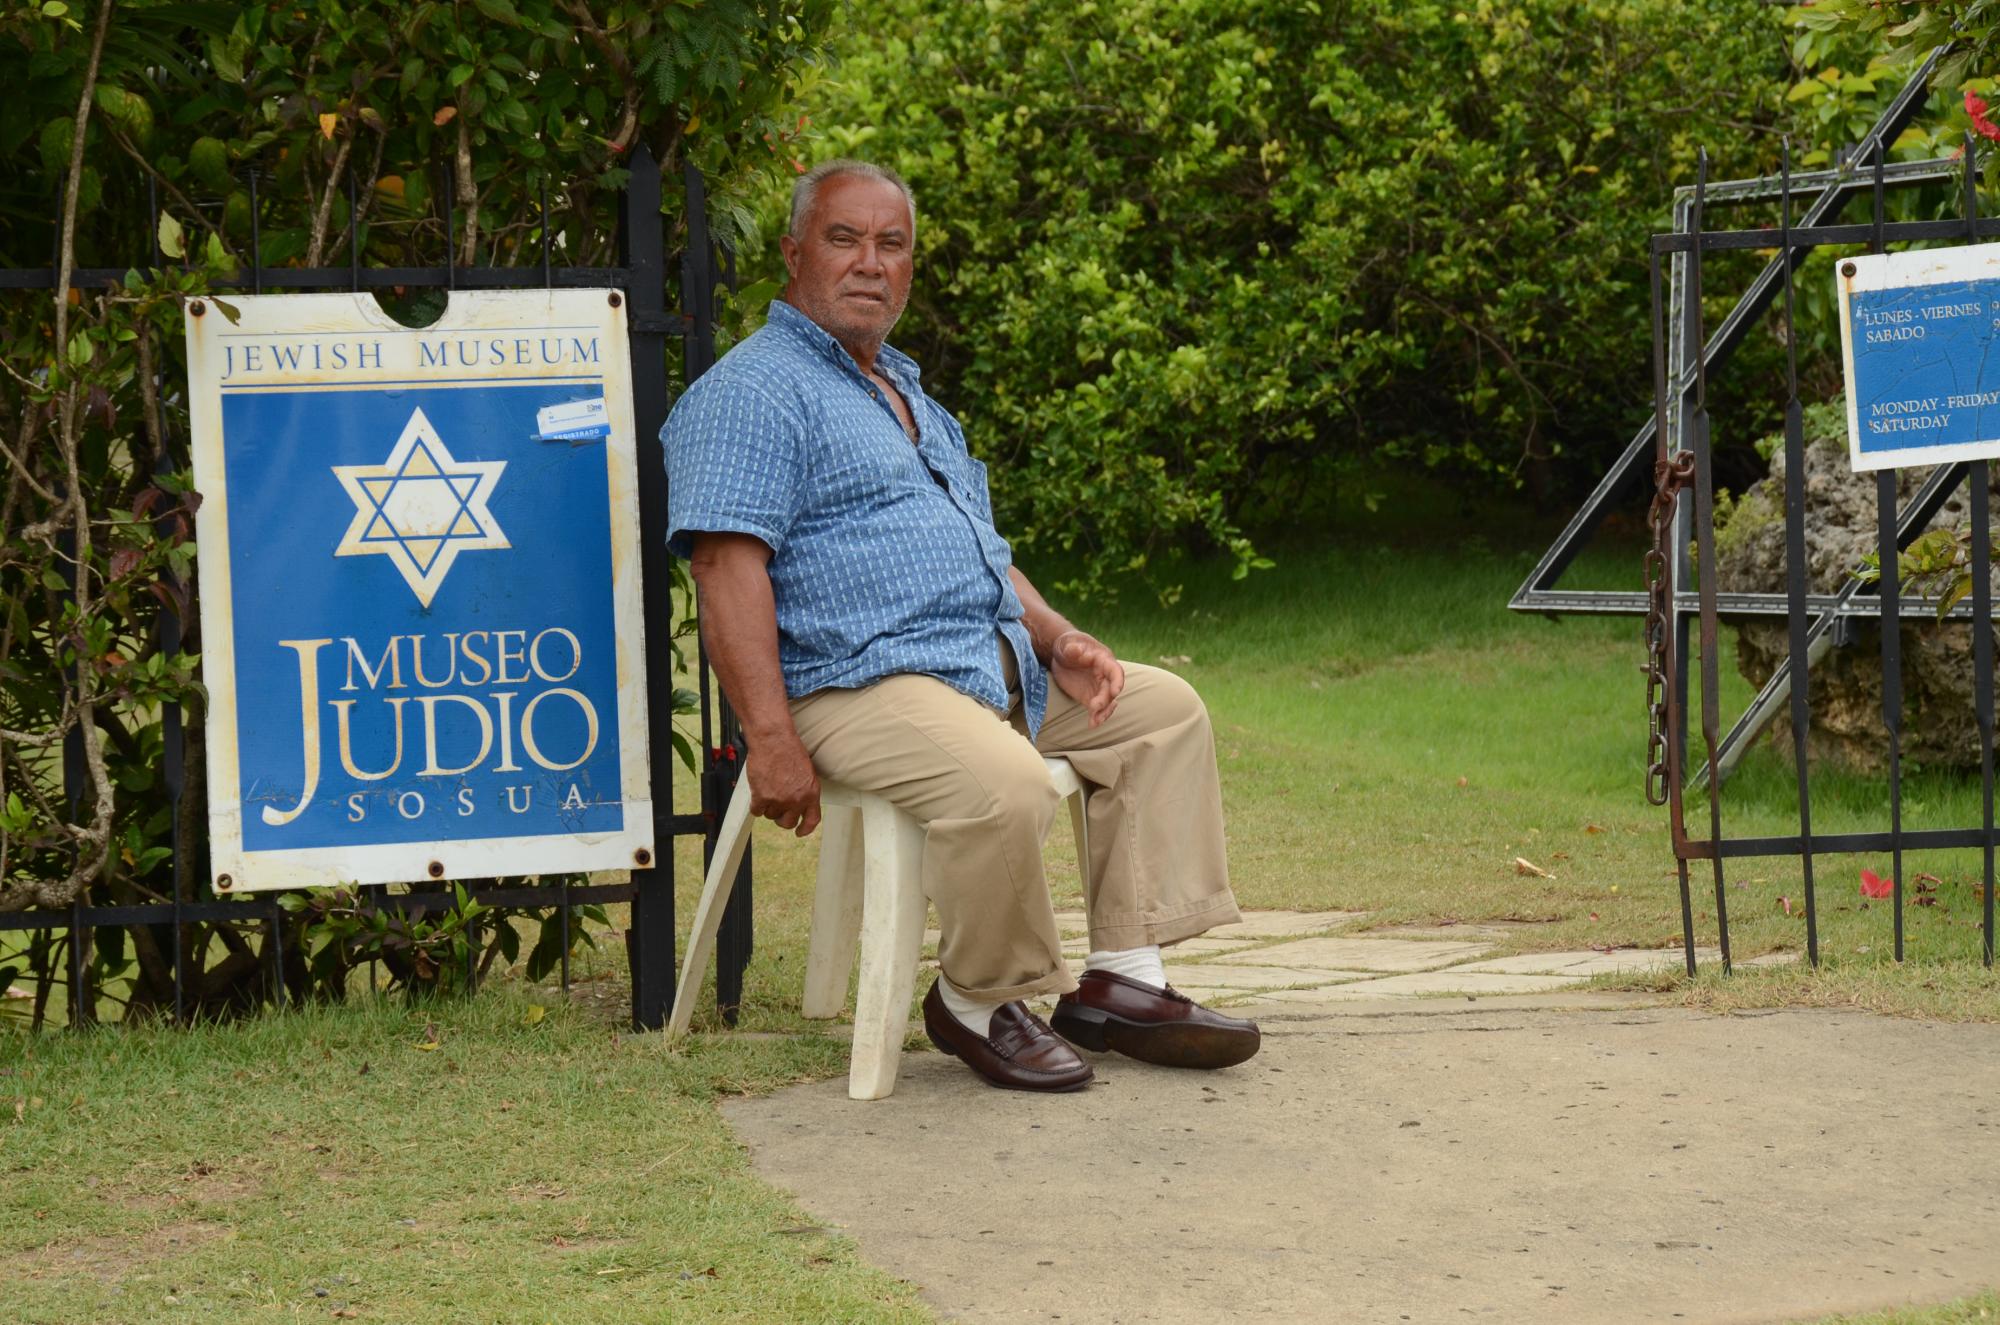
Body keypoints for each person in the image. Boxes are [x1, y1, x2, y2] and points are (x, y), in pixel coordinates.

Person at [662, 159, 1258, 1093]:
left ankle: (1121, 978)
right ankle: (977, 999)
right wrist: (768, 736)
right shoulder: (755, 391)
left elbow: (977, 548)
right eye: (843, 239)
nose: (870, 263)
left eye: (890, 245)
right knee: (1007, 784)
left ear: (909, 268)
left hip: (985, 666)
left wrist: (1058, 638)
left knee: (1160, 710)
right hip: (858, 682)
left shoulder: (901, 389)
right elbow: (724, 568)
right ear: (791, 254)